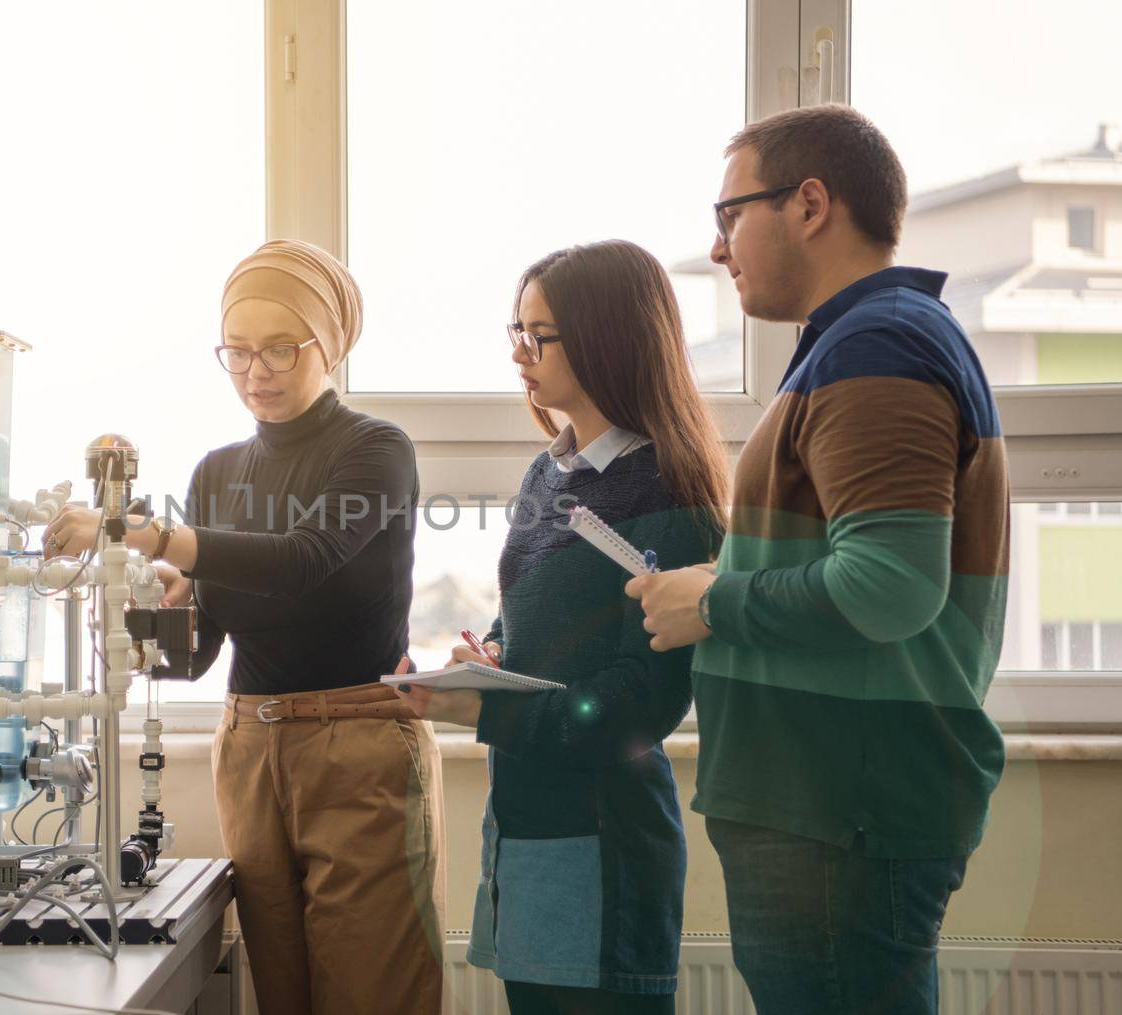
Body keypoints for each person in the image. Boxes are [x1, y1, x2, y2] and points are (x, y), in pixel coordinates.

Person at [627, 105, 1010, 1015]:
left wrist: (712, 602)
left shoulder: (880, 345)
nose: (718, 250)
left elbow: (891, 586)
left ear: (809, 203)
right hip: (832, 805)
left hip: (841, 810)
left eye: (729, 216)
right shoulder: (863, 343)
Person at [45, 239, 444, 1015]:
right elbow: (197, 653)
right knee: (280, 995)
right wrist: (140, 612)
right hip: (251, 750)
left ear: (328, 345)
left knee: (373, 994)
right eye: (236, 352)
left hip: (357, 746)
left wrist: (141, 533)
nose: (255, 372)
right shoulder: (217, 472)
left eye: (279, 349)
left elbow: (303, 558)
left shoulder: (375, 449)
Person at [396, 239, 727, 1014]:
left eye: (538, 335)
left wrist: (489, 708)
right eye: (516, 331)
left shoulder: (667, 487)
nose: (520, 353)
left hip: (605, 841)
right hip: (530, 821)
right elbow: (535, 620)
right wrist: (490, 657)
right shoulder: (552, 470)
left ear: (609, 337)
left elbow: (642, 701)